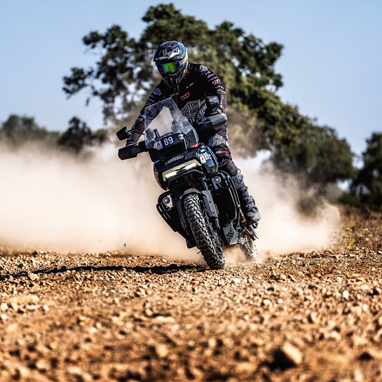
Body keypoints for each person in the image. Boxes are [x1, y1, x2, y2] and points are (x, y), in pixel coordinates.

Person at [127, 41, 261, 225]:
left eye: (172, 66)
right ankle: (189, 219)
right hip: (185, 134)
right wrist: (132, 141)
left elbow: (219, 89)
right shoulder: (161, 90)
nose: (168, 72)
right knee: (171, 168)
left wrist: (218, 110)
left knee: (222, 157)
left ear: (183, 62)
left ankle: (247, 203)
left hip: (211, 125)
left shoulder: (200, 72)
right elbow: (145, 114)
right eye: (162, 67)